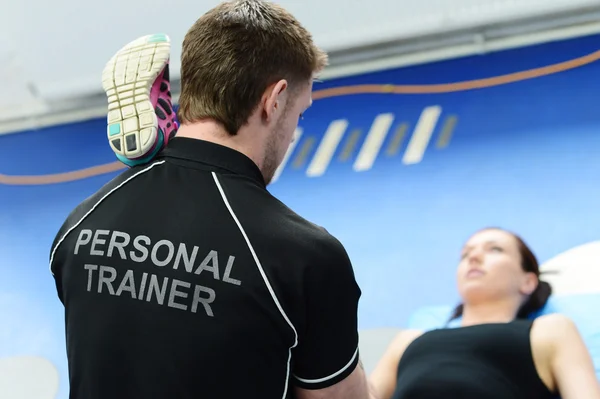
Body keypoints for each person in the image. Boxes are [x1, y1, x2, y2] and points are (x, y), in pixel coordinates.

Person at [49, 1, 374, 398]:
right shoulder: (305, 257)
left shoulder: (79, 226)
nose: (292, 134)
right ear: (274, 100)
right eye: (298, 115)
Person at [369, 227, 600, 399]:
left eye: (494, 249)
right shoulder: (409, 341)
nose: (474, 257)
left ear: (528, 281)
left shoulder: (550, 331)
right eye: (465, 254)